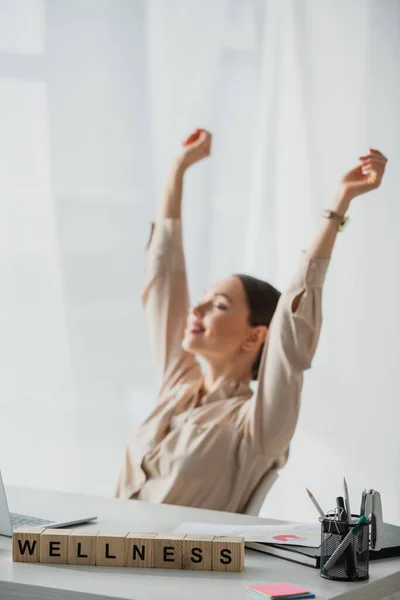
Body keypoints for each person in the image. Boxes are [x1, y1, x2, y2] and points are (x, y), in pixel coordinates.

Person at [115, 129, 387, 513]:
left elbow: (291, 335)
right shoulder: (179, 387)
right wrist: (178, 170)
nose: (196, 310)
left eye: (219, 305)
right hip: (104, 558)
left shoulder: (256, 427)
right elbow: (164, 280)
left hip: (179, 573)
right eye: (202, 301)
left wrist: (338, 205)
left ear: (256, 336)